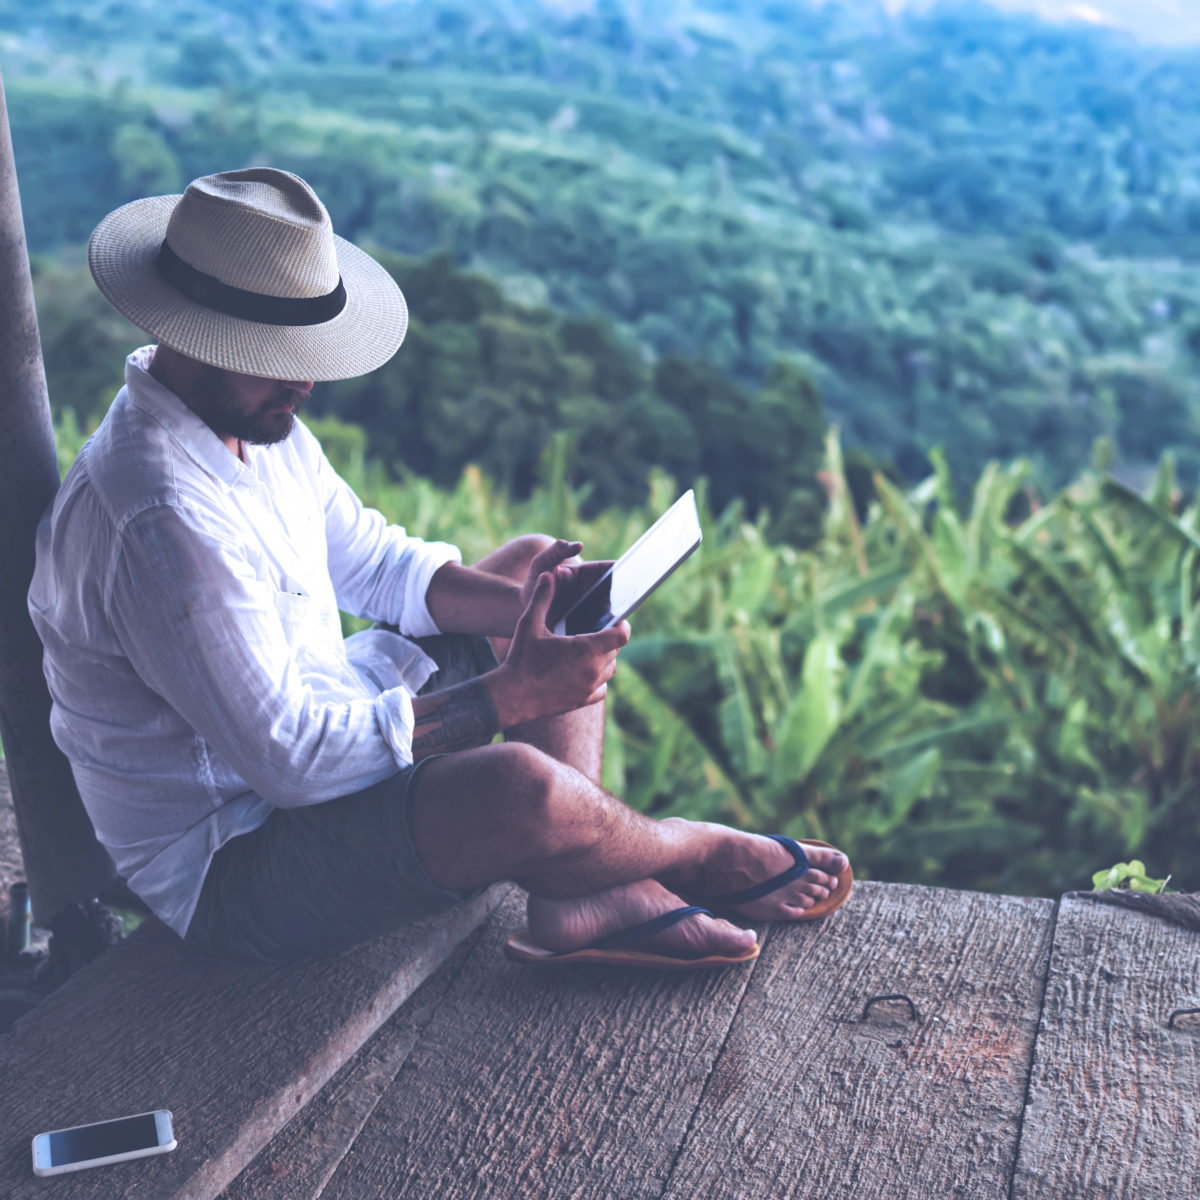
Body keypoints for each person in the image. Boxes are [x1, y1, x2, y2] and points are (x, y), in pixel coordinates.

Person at [28, 167, 852, 968]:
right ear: (191, 337)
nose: (306, 380)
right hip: (236, 859)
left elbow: (379, 565)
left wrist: (531, 606)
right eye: (275, 354)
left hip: (320, 731)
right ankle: (680, 851)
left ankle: (577, 895)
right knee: (523, 791)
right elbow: (291, 764)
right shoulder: (160, 522)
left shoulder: (249, 421)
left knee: (535, 573)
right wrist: (508, 696)